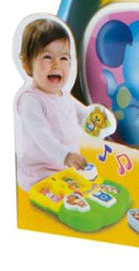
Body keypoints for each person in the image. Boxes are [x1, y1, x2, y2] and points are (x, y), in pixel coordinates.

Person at [14, 17, 92, 190]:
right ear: (28, 64)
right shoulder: (30, 100)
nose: (57, 64)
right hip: (39, 173)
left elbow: (82, 114)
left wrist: (96, 117)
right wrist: (65, 156)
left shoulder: (63, 95)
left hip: (65, 168)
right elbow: (42, 136)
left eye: (64, 58)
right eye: (47, 57)